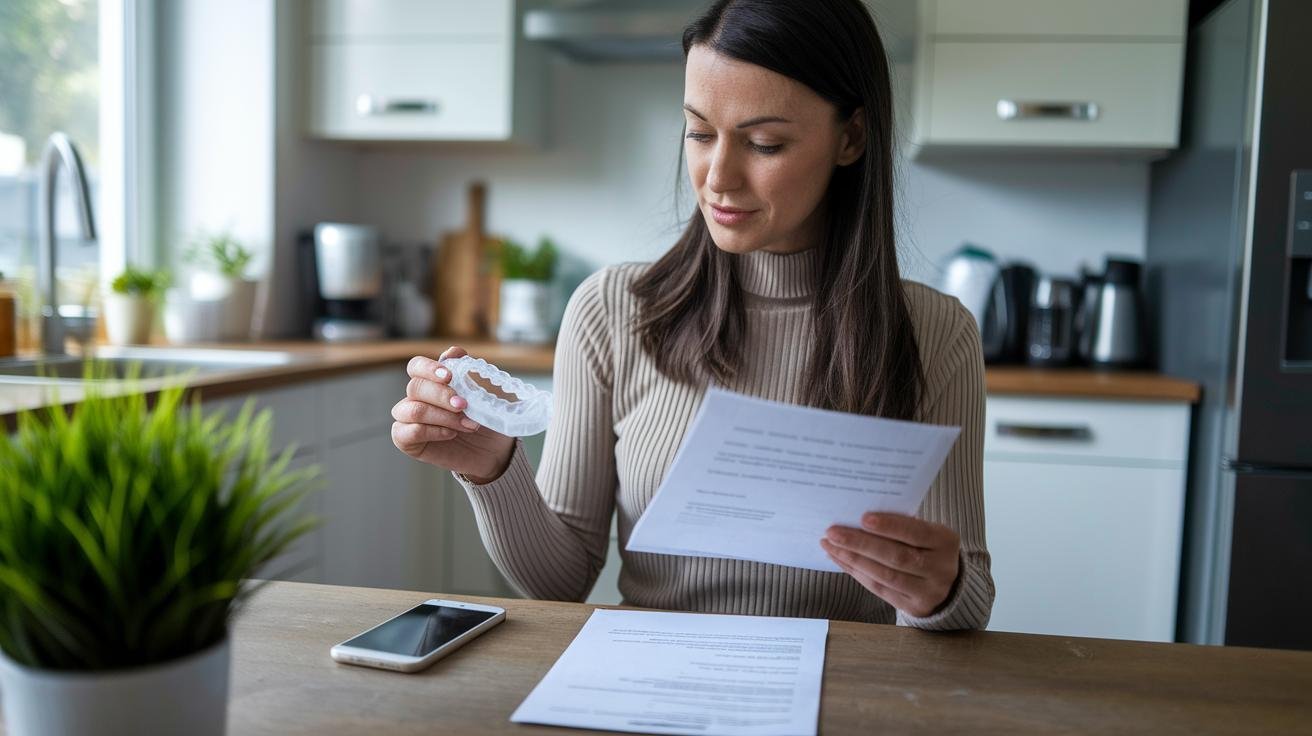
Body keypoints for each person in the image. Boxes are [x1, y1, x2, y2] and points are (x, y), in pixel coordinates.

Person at [391, 0, 993, 629]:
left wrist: (940, 590)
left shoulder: (935, 332)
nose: (718, 178)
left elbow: (970, 600)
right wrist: (492, 468)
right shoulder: (610, 312)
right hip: (646, 681)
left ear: (851, 138)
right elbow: (561, 580)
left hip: (836, 691)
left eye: (765, 143)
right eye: (700, 133)